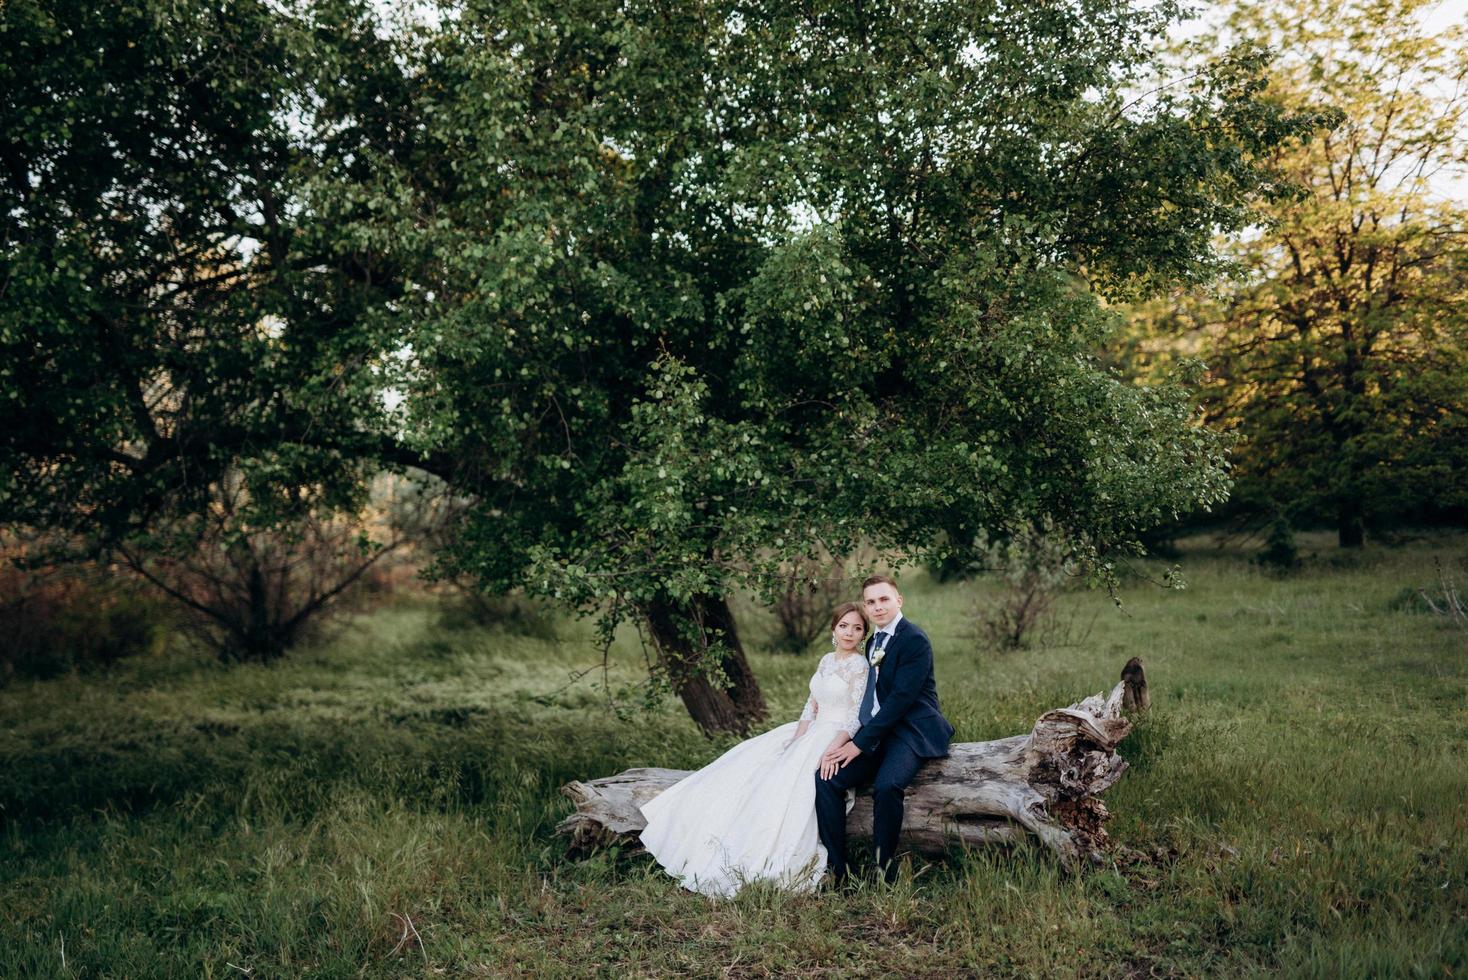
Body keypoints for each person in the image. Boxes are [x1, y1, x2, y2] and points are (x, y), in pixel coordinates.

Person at [638, 603, 872, 897]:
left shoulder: (860, 666)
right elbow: (810, 706)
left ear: (864, 635)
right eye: (844, 626)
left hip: (833, 734)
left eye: (857, 628)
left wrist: (832, 750)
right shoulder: (826, 660)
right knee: (750, 766)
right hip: (811, 730)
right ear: (833, 629)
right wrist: (796, 740)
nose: (849, 632)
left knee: (793, 787)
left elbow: (854, 717)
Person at [815, 574, 954, 884]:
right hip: (879, 732)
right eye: (871, 602)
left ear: (898, 600)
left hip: (911, 730)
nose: (877, 607)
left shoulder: (913, 639)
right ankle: (838, 870)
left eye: (884, 599)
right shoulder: (873, 642)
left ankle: (884, 873)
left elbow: (899, 702)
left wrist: (858, 743)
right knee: (827, 779)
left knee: (888, 786)